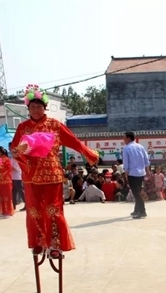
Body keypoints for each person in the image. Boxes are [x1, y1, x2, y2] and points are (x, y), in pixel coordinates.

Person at [10, 84, 98, 259]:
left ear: (45, 107)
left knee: (53, 210)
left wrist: (88, 153)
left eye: (39, 106)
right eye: (32, 107)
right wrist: (18, 153)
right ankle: (39, 241)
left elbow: (73, 140)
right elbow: (14, 148)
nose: (36, 110)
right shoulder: (22, 127)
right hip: (31, 175)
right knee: (34, 210)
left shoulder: (55, 125)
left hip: (51, 172)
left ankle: (54, 244)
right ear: (28, 108)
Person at [122, 131, 150, 219]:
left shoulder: (126, 148)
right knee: (137, 191)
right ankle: (136, 209)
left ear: (128, 138)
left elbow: (126, 163)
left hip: (132, 173)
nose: (123, 140)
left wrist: (126, 172)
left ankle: (142, 211)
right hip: (141, 173)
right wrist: (148, 170)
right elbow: (146, 160)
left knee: (136, 192)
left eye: (124, 138)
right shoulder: (140, 147)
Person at [0, 146, 14, 218]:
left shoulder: (6, 159)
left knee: (7, 197)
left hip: (6, 180)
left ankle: (8, 212)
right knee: (1, 197)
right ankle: (3, 211)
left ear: (0, 152)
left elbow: (9, 169)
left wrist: (1, 169)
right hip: (0, 181)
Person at [9, 142, 26, 212]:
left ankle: (27, 204)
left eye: (10, 147)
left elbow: (15, 168)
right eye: (9, 147)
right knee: (13, 192)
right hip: (13, 177)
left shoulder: (17, 156)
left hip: (18, 177)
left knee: (21, 191)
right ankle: (13, 206)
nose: (10, 149)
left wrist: (6, 169)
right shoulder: (12, 157)